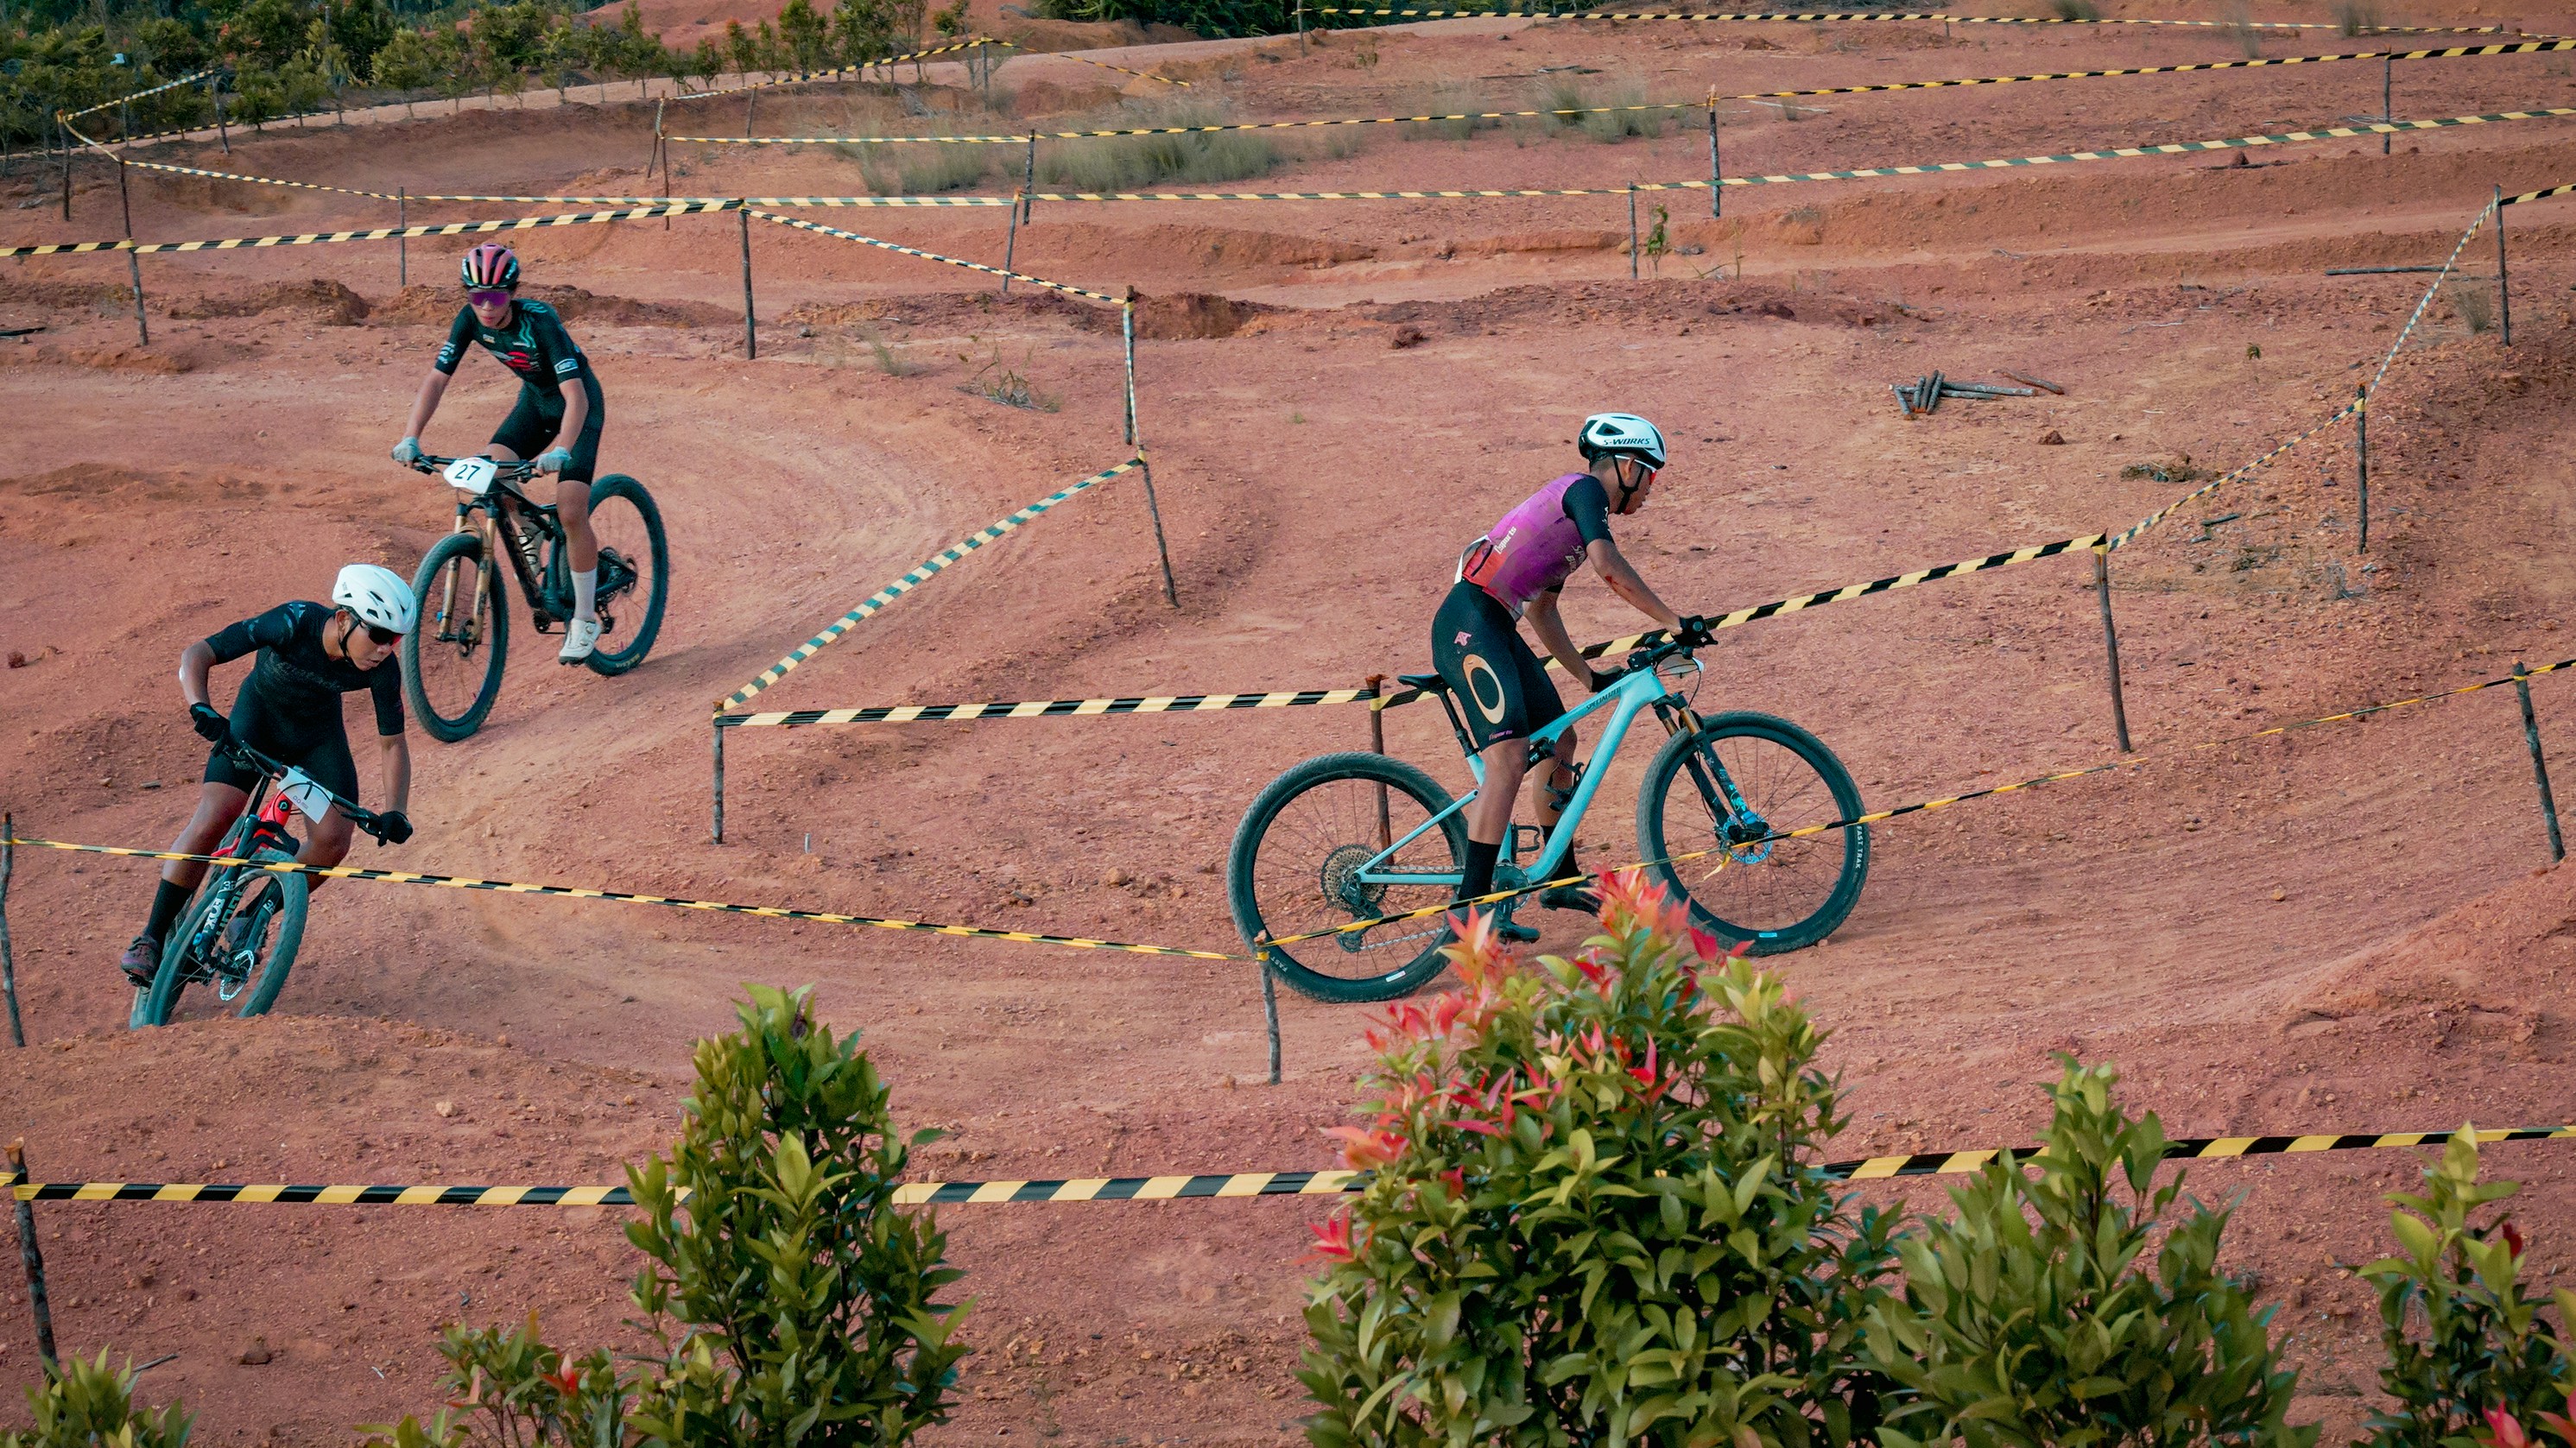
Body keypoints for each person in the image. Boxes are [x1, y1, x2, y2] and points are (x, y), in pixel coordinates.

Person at [1432, 412, 1707, 937]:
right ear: (1628, 465)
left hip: (1495, 623)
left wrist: (1588, 679)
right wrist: (1674, 621)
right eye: (1652, 475)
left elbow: (1542, 612)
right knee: (1509, 757)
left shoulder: (1574, 517)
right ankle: (1471, 915)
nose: (1651, 491)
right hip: (1470, 623)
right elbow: (1609, 566)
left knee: (1562, 739)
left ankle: (1558, 878)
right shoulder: (1585, 493)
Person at [117, 566, 420, 984]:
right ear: (345, 618)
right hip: (258, 720)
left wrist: (397, 811)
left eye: (397, 639)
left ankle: (253, 916)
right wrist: (200, 706)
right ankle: (150, 938)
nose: (387, 648)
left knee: (334, 840)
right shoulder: (294, 621)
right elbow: (197, 655)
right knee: (215, 815)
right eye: (380, 634)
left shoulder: (382, 670)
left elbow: (393, 744)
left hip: (316, 740)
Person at [392, 243, 608, 663]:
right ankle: (526, 524)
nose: (486, 307)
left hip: (578, 407)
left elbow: (576, 396)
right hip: (534, 404)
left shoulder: (541, 320)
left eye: (495, 296)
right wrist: (410, 437)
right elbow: (437, 380)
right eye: (476, 297)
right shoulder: (469, 320)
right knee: (488, 474)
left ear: (512, 291)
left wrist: (562, 449)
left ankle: (584, 619)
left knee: (570, 509)